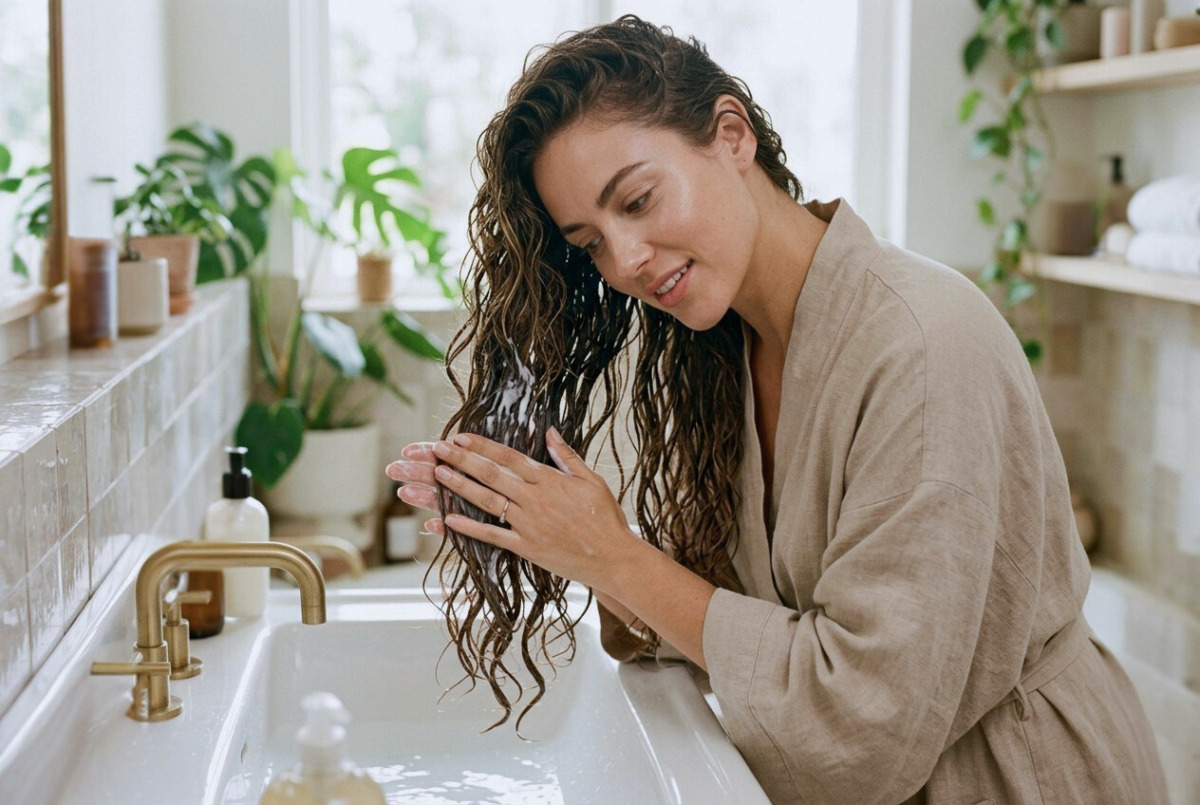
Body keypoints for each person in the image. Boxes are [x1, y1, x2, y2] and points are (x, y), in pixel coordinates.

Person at [385, 14, 1168, 804]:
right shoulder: (734, 344)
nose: (623, 260)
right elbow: (736, 619)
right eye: (589, 242)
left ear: (732, 136)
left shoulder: (925, 346)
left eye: (639, 199)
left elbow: (863, 719)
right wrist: (563, 537)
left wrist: (613, 555)